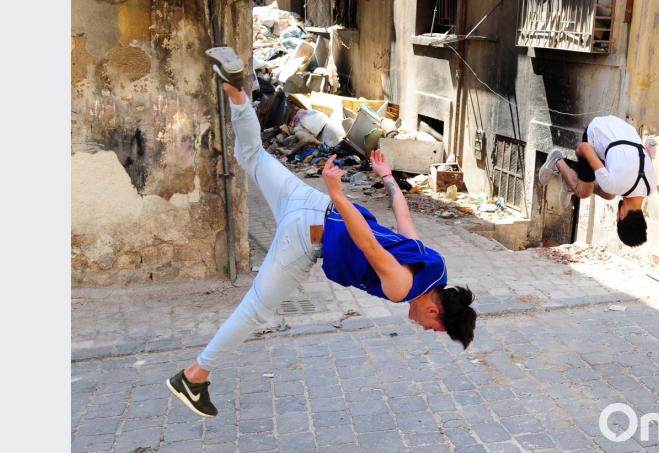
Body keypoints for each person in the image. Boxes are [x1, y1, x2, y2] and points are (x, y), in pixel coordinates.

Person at [167, 47, 477, 417]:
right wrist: (338, 193)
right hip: (308, 234)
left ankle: (236, 90)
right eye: (434, 328)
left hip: (308, 203)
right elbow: (364, 240)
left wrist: (388, 178)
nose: (427, 330)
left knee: (250, 156)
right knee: (256, 309)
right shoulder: (402, 288)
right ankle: (195, 375)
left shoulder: (435, 267)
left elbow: (403, 218)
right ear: (433, 309)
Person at [538, 115, 657, 247]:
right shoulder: (612, 184)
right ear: (621, 215)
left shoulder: (651, 187)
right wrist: (579, 157)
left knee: (609, 195)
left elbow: (645, 157)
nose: (617, 215)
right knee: (583, 192)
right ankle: (557, 161)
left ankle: (570, 184)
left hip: (623, 129)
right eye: (617, 217)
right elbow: (584, 148)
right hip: (596, 131)